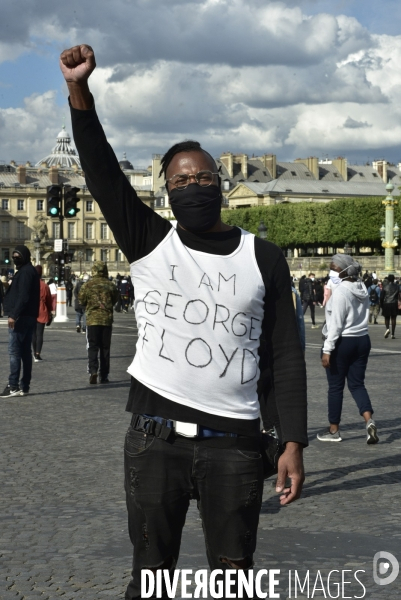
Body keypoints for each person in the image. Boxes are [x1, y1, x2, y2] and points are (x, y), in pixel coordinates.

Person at [60, 44, 307, 600]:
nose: (193, 186)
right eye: (180, 181)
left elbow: (285, 355)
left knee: (233, 578)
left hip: (237, 446)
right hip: (154, 443)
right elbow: (102, 174)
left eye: (202, 178)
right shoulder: (151, 242)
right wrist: (79, 91)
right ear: (167, 193)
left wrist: (292, 441)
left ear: (220, 181)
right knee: (150, 579)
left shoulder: (263, 256)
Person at [318, 254, 378, 445]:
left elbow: (335, 325)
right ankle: (369, 420)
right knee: (357, 384)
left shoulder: (341, 292)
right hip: (362, 339)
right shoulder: (362, 288)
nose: (331, 271)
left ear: (343, 270)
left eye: (333, 268)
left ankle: (334, 430)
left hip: (343, 342)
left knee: (335, 387)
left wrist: (327, 350)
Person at [0, 246, 40, 398]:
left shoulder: (25, 273)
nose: (15, 259)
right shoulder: (29, 271)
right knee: (25, 352)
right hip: (27, 316)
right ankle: (25, 385)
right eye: (13, 256)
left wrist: (13, 315)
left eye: (18, 256)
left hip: (21, 317)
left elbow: (23, 296)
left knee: (14, 351)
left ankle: (13, 385)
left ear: (25, 257)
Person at [78, 261, 119, 384]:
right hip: (106, 320)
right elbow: (115, 299)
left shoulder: (87, 285)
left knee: (93, 347)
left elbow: (81, 300)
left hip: (92, 320)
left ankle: (93, 370)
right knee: (105, 348)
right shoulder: (111, 285)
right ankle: (104, 375)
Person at [32, 265, 53, 361]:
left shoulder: (30, 284)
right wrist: (50, 312)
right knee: (40, 334)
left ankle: (33, 352)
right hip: (42, 310)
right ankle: (37, 353)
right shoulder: (45, 286)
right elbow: (49, 300)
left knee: (33, 334)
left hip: (31, 310)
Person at [380, 274, 400, 339]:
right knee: (393, 319)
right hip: (394, 303)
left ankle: (387, 329)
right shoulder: (397, 286)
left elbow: (382, 297)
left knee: (387, 318)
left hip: (386, 303)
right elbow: (398, 296)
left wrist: (381, 305)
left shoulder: (385, 286)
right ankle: (393, 334)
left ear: (388, 279)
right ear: (394, 279)